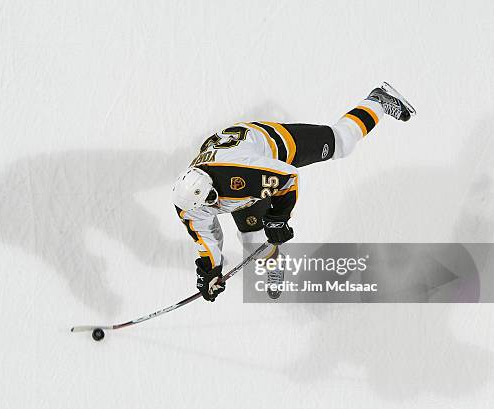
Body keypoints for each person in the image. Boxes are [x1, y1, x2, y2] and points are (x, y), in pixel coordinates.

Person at [171, 82, 415, 301]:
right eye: (207, 206)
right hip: (242, 182)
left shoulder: (242, 174)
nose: (214, 207)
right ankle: (275, 263)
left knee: (341, 142)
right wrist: (209, 271)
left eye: (213, 199)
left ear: (212, 185)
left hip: (270, 146)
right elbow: (207, 239)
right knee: (253, 243)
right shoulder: (189, 207)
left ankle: (377, 100)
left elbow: (287, 176)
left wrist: (277, 220)